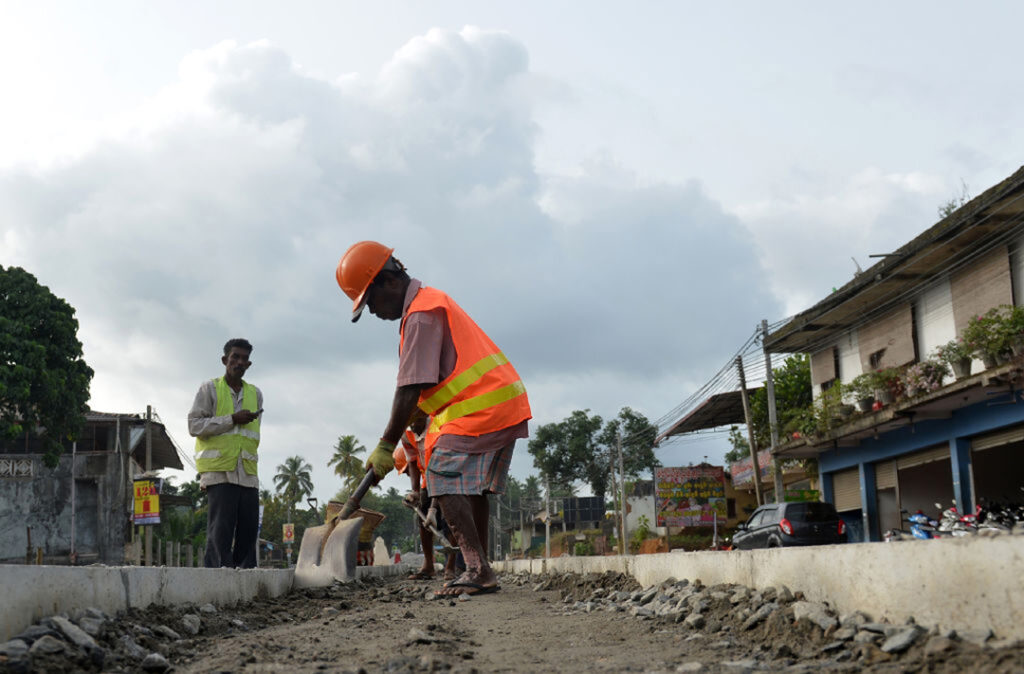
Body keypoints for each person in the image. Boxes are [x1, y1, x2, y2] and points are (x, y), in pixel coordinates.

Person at [336, 241, 531, 596]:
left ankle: (477, 568)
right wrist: (409, 420)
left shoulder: (422, 314)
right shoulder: (429, 303)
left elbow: (410, 386)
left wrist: (385, 445)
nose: (374, 313)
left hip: (483, 406)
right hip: (500, 402)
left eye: (371, 302)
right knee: (471, 490)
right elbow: (428, 389)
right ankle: (480, 567)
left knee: (440, 471)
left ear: (389, 282)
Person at [188, 338, 263, 568]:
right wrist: (231, 420)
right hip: (219, 470)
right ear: (225, 360)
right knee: (221, 528)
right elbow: (194, 426)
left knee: (250, 529)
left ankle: (244, 577)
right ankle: (216, 577)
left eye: (244, 359)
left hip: (247, 471)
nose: (239, 362)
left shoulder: (256, 394)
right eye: (235, 357)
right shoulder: (209, 389)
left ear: (249, 364)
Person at [397, 416, 457, 581]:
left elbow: (440, 468)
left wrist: (433, 509)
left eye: (415, 422)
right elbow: (412, 460)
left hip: (448, 474)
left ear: (423, 414)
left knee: (450, 519)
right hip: (427, 479)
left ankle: (451, 567)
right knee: (423, 521)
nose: (413, 427)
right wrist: (415, 491)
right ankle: (428, 565)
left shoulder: (437, 426)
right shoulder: (406, 433)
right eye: (409, 423)